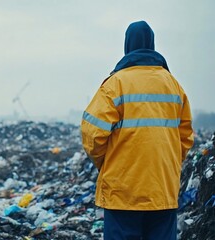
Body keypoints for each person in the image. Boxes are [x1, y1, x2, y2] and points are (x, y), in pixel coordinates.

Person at [81, 20, 194, 239]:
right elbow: (186, 137)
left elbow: (92, 134)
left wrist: (105, 162)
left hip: (123, 191)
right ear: (152, 45)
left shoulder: (115, 84)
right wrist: (166, 164)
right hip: (162, 188)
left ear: (127, 45)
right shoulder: (173, 85)